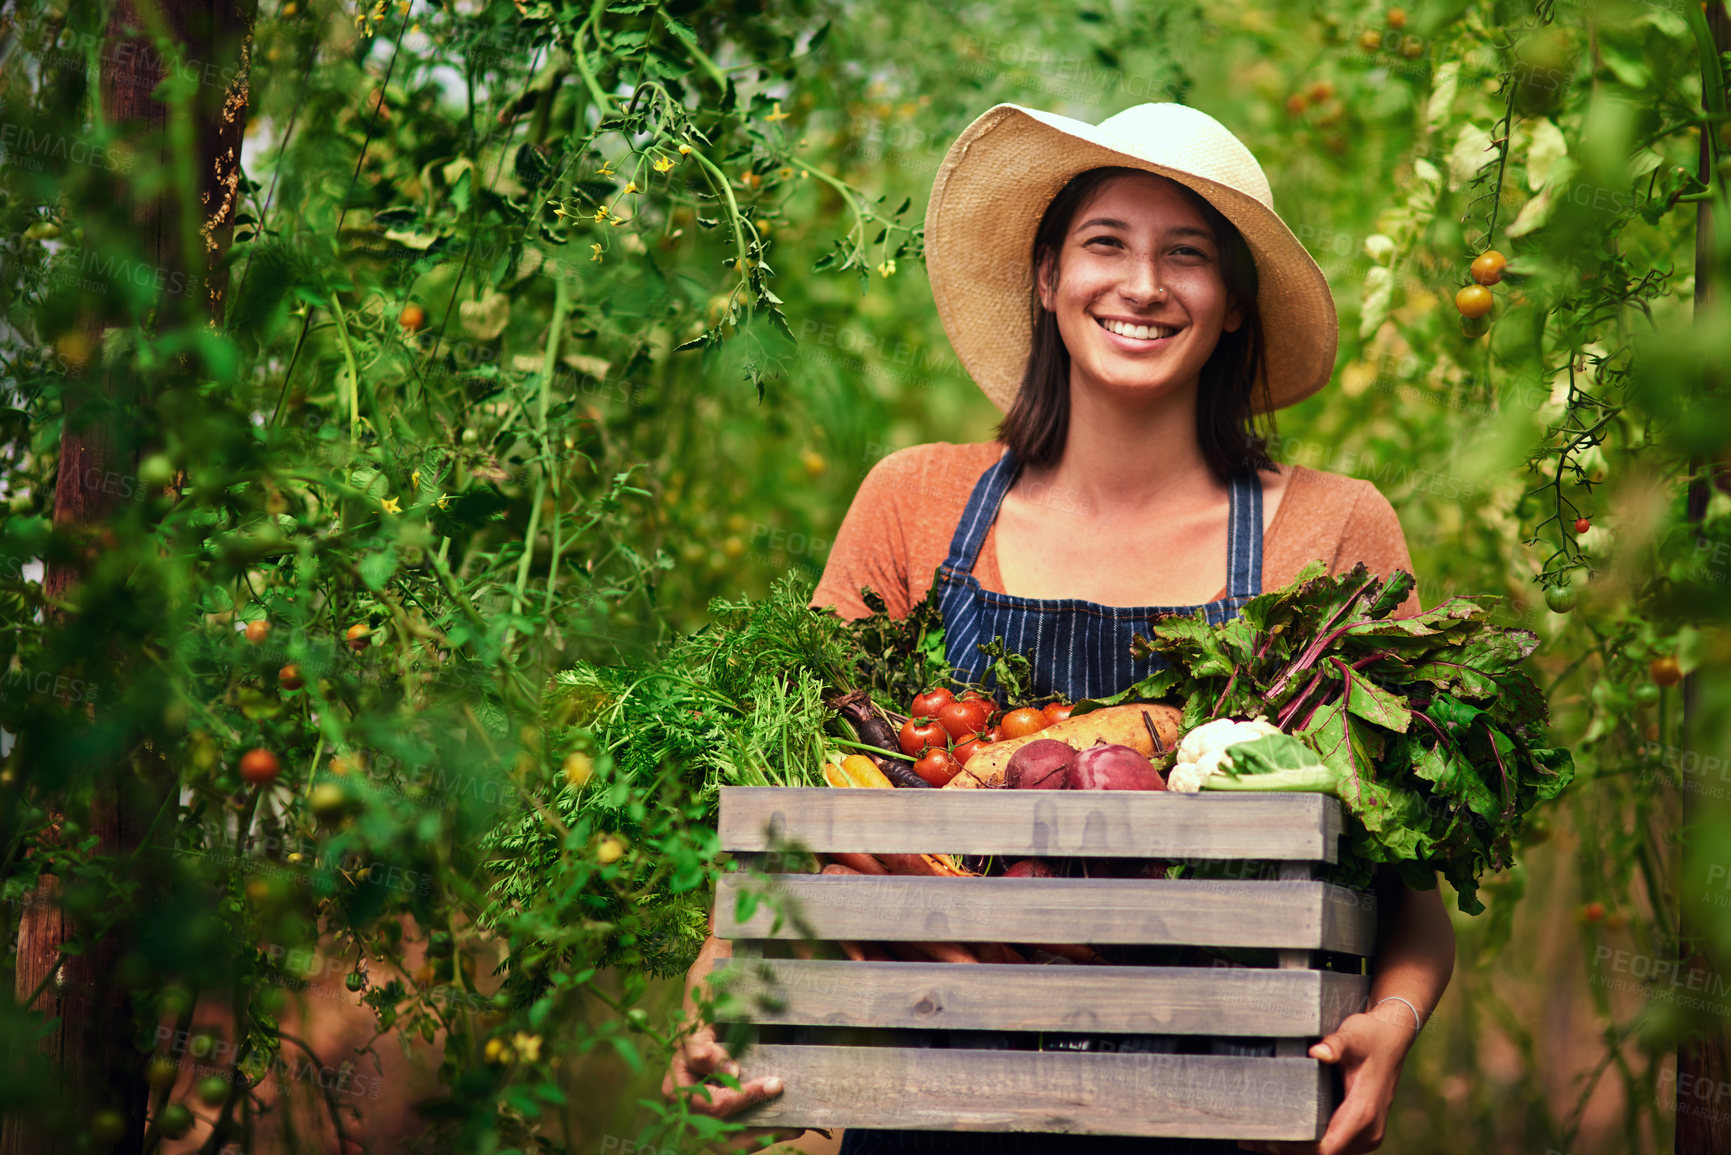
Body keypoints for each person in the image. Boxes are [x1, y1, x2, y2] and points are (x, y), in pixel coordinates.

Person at [663, 101, 1456, 1155]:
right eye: (1105, 244)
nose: (1142, 284)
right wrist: (716, 985)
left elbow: (1413, 886)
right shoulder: (916, 505)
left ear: (1231, 306)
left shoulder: (1333, 529)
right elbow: (798, 822)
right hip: (931, 1108)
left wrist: (1389, 1025)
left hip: (1225, 1113)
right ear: (1047, 277)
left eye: (1188, 255)